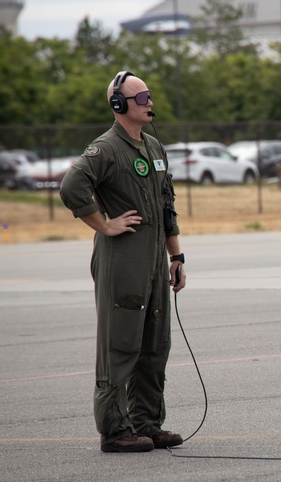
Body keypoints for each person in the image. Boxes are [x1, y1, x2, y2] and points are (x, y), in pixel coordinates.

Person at [59, 71, 187, 453]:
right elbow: (71, 187)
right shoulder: (105, 150)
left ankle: (146, 423)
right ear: (119, 106)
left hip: (153, 260)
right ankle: (115, 429)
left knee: (154, 343)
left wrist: (176, 255)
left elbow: (167, 206)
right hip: (123, 261)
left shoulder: (154, 148)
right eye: (141, 97)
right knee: (121, 344)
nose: (150, 102)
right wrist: (104, 224)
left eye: (149, 95)